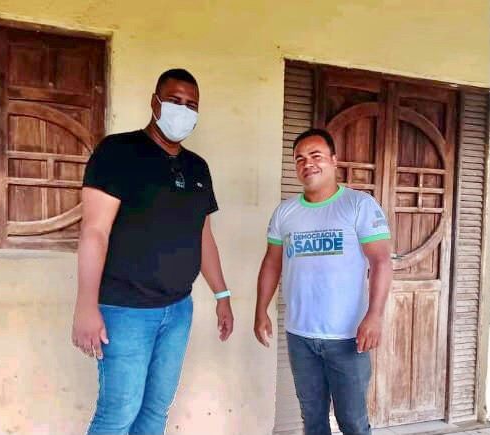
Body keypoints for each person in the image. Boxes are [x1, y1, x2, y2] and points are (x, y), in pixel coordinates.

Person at [72, 68, 234, 435]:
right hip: (125, 310)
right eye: (175, 100)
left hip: (178, 310)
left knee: (155, 411)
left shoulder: (198, 168)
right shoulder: (117, 152)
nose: (183, 110)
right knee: (118, 414)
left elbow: (204, 236)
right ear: (155, 102)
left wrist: (222, 295)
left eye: (191, 105)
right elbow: (95, 232)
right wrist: (85, 305)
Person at [254, 128, 392, 435]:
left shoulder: (358, 205)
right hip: (300, 336)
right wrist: (260, 309)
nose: (308, 164)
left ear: (334, 160)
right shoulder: (285, 212)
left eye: (316, 155)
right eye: (300, 158)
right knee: (313, 420)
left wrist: (375, 315)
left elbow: (381, 261)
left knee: (353, 423)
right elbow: (272, 262)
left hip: (347, 337)